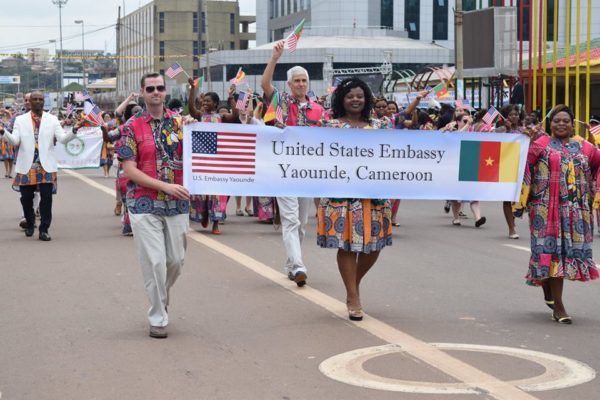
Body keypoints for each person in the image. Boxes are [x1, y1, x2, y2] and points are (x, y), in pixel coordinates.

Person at [115, 72, 191, 338]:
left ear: (166, 91)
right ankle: (158, 316)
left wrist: (194, 128)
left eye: (160, 88)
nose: (156, 92)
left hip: (177, 204)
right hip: (143, 203)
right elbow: (129, 170)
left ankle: (161, 295)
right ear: (143, 92)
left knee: (175, 261)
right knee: (155, 263)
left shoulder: (182, 124)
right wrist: (163, 186)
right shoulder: (131, 127)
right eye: (150, 89)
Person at [514, 104, 600, 324]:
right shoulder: (539, 144)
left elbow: (598, 166)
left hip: (575, 211)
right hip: (545, 210)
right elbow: (521, 165)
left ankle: (549, 291)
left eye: (565, 121)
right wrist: (523, 143)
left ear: (573, 124)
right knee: (551, 255)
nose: (561, 124)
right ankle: (559, 307)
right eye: (556, 120)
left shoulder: (586, 147)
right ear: (549, 124)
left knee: (564, 255)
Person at [317, 77, 392, 321]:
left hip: (375, 195)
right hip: (342, 196)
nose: (355, 100)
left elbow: (402, 151)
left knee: (374, 246)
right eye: (350, 96)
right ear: (342, 99)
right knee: (347, 244)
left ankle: (354, 283)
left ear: (366, 98)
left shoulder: (381, 126)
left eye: (359, 96)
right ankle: (352, 296)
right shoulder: (329, 126)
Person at [261, 40, 326, 287]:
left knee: (301, 223)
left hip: (307, 172)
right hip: (283, 169)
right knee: (290, 220)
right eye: (296, 80)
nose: (300, 84)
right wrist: (275, 58)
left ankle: (291, 263)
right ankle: (299, 266)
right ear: (289, 84)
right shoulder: (281, 101)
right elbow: (265, 84)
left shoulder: (319, 109)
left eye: (303, 80)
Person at [0, 91, 77, 241]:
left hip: (46, 166)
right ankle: (30, 223)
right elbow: (15, 141)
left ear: (44, 102)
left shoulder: (52, 119)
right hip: (26, 166)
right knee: (26, 198)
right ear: (29, 102)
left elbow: (62, 139)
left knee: (47, 198)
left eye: (40, 99)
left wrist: (74, 130)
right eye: (34, 99)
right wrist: (3, 132)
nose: (37, 102)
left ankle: (44, 230)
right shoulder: (20, 120)